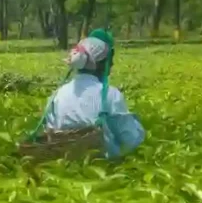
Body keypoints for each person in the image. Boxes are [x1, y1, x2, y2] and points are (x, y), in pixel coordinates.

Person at [43, 28, 145, 159]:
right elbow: (130, 139)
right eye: (110, 59)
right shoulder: (110, 94)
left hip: (65, 161)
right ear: (101, 64)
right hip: (103, 164)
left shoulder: (57, 94)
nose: (112, 64)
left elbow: (51, 132)